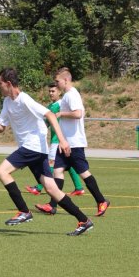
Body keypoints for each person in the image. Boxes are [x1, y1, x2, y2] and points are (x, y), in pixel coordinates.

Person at [0, 67, 94, 236]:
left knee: (2, 171)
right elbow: (2, 128)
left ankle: (24, 211)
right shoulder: (7, 102)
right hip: (34, 150)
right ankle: (84, 220)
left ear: (8, 84)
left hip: (32, 147)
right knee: (52, 189)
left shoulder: (24, 100)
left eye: (0, 83)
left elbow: (51, 115)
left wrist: (62, 140)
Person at [36, 67, 110, 217]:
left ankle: (101, 200)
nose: (56, 85)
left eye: (57, 81)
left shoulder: (71, 95)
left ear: (65, 80)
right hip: (65, 143)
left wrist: (61, 113)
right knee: (57, 171)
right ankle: (52, 205)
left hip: (74, 143)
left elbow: (78, 114)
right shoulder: (67, 96)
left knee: (83, 173)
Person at [25, 82, 85, 199]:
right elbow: (46, 123)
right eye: (49, 91)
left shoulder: (59, 105)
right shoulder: (51, 106)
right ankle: (78, 187)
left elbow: (74, 114)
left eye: (53, 91)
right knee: (68, 164)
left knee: (50, 164)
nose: (51, 93)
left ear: (59, 92)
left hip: (58, 140)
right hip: (58, 139)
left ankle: (39, 187)